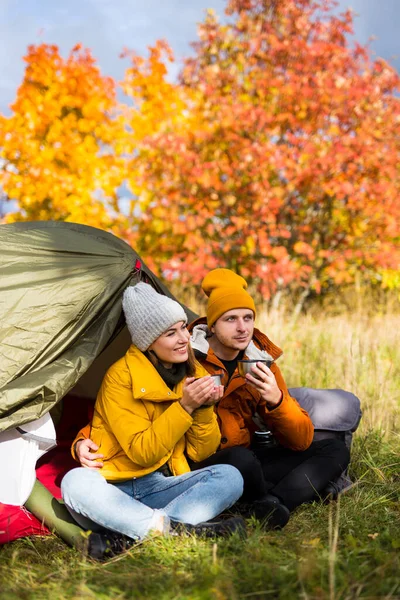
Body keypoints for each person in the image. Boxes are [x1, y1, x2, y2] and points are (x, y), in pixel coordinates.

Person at [75, 270, 350, 530]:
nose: (243, 328)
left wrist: (278, 400)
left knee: (335, 451)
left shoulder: (260, 363)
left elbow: (300, 440)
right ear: (212, 324)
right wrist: (83, 439)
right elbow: (137, 407)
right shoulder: (186, 357)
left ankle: (273, 503)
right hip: (199, 460)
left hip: (245, 455)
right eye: (231, 319)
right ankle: (267, 498)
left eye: (248, 318)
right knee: (241, 461)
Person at [61, 282, 245, 558]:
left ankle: (130, 538)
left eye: (183, 327)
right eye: (171, 333)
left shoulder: (189, 372)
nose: (184, 338)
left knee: (230, 476)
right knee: (74, 483)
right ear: (149, 343)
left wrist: (205, 408)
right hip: (112, 491)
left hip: (159, 484)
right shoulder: (120, 377)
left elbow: (202, 452)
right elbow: (142, 452)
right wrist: (185, 407)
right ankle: (180, 531)